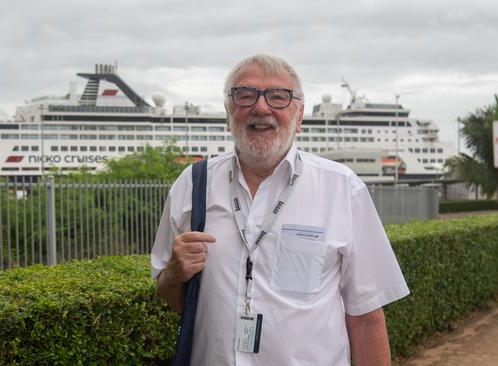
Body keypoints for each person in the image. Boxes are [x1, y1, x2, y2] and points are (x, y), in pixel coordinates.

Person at [151, 54, 410, 365]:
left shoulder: (342, 189)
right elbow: (172, 296)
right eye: (245, 95)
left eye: (278, 96)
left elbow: (367, 316)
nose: (261, 108)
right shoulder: (192, 185)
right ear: (228, 113)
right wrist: (174, 275)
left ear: (299, 116)